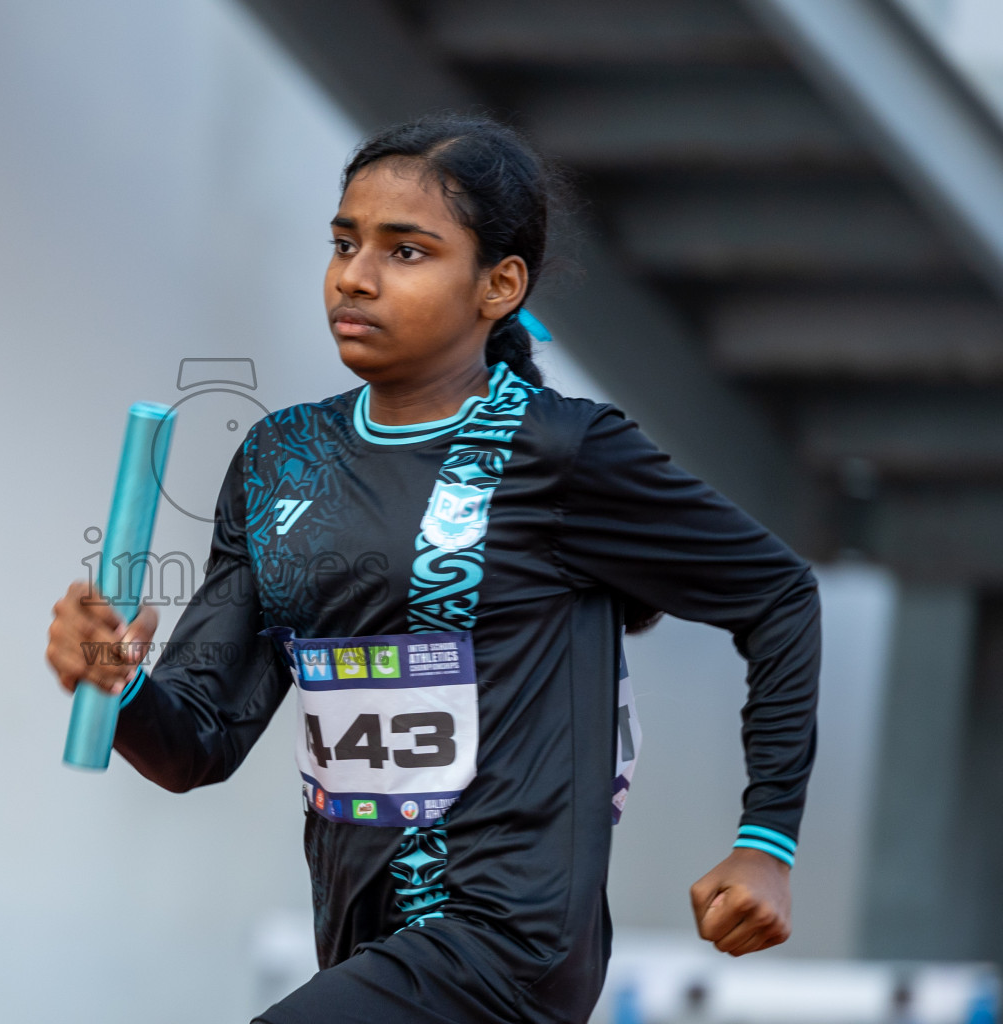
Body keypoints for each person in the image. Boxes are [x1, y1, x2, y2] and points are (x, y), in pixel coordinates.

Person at [45, 114, 818, 1024]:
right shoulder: (277, 458)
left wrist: (765, 841)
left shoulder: (562, 450)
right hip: (361, 938)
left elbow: (777, 593)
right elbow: (197, 744)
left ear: (499, 285)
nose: (355, 277)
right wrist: (115, 685)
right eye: (343, 243)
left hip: (508, 943)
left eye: (406, 252)